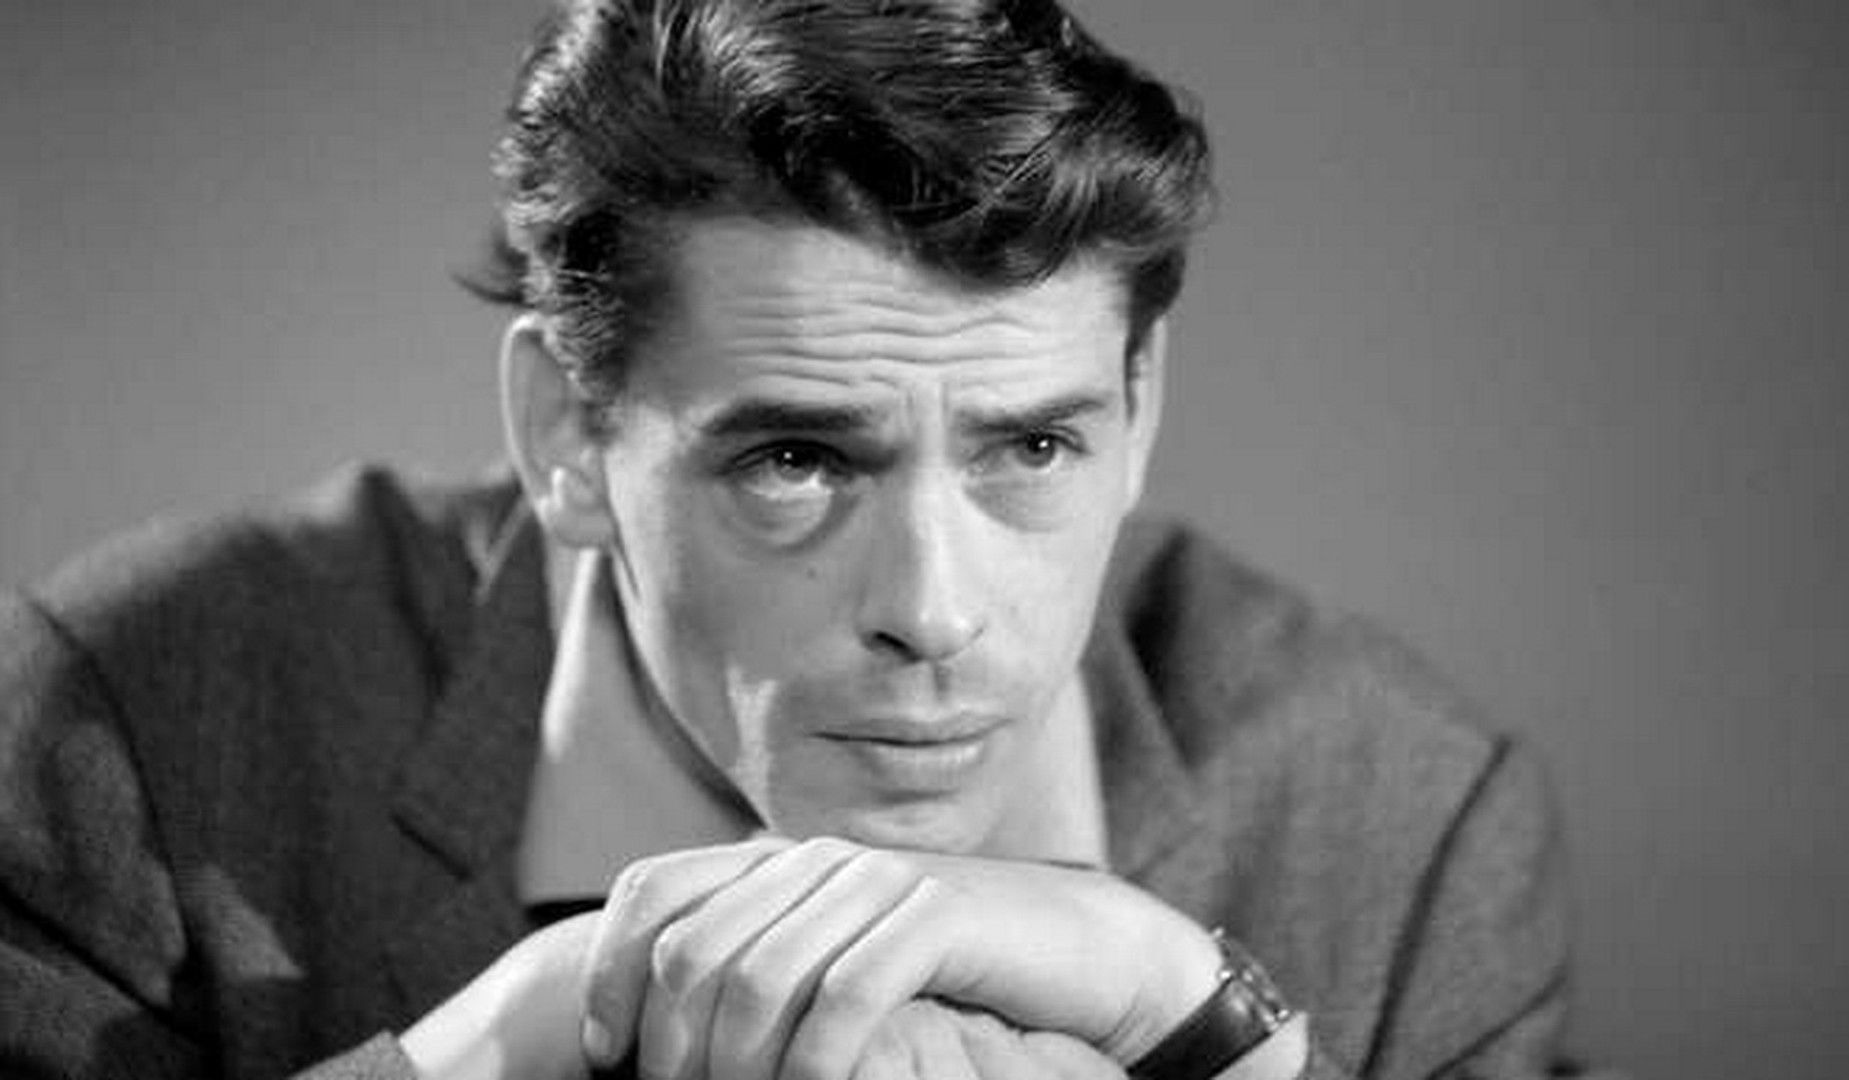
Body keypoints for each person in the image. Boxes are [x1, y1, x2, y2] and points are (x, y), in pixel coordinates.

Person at [0, 1, 1609, 1078]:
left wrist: (1190, 1021)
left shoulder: (1400, 820)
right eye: (796, 459)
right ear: (568, 436)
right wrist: (508, 1043)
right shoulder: (137, 721)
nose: (934, 612)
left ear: (1141, 406)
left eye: (1033, 446)